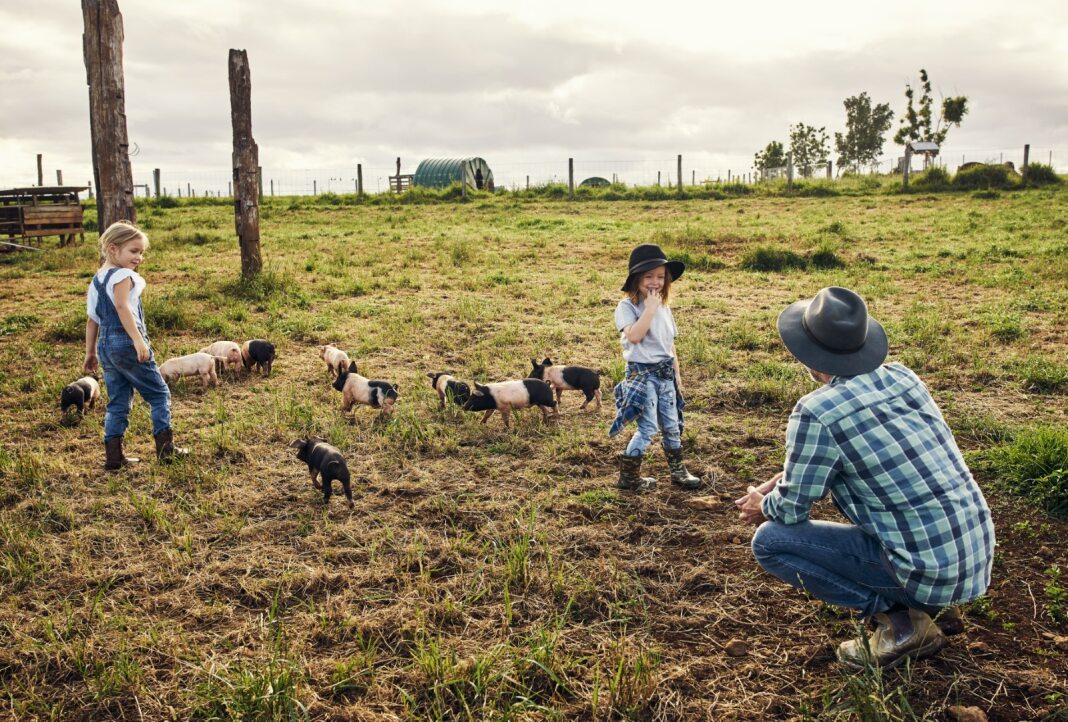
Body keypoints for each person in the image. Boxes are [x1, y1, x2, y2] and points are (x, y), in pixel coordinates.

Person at [735, 286, 995, 670]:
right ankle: (934, 607)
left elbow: (790, 510)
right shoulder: (903, 378)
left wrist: (764, 503)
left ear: (807, 353)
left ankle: (903, 621)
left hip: (925, 569)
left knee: (771, 541)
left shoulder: (817, 410)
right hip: (972, 555)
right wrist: (786, 477)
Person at [84, 221, 188, 470]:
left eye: (141, 252)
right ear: (112, 248)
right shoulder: (123, 276)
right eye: (133, 251)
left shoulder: (98, 279)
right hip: (127, 343)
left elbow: (92, 319)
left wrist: (90, 352)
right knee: (159, 394)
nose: (139, 257)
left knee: (118, 401)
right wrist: (138, 340)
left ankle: (114, 457)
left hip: (106, 347)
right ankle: (166, 449)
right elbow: (122, 307)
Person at [609, 244, 703, 492]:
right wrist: (649, 309)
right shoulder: (627, 307)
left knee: (672, 424)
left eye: (660, 277)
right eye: (648, 276)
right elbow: (636, 336)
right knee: (648, 427)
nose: (655, 282)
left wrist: (678, 375)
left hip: (665, 373)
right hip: (642, 374)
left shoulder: (664, 307)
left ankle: (678, 472)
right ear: (636, 279)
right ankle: (629, 478)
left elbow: (669, 345)